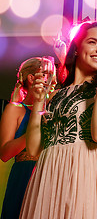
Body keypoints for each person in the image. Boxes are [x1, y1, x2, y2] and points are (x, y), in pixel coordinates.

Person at [19, 21, 97, 218]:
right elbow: (34, 149)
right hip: (50, 174)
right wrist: (38, 102)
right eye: (93, 42)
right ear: (76, 48)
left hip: (88, 171)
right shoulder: (55, 95)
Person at [0, 57, 53, 219]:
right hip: (24, 175)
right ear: (31, 78)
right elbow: (5, 154)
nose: (53, 81)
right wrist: (34, 131)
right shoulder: (15, 109)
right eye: (48, 75)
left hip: (50, 174)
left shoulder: (53, 110)